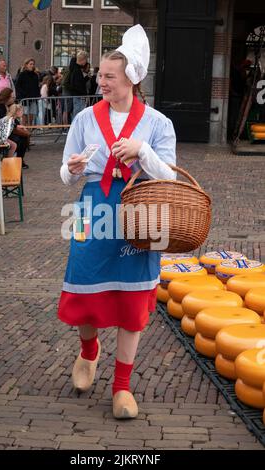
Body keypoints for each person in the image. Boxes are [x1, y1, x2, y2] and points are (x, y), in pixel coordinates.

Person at [57, 25, 176, 419]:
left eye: (108, 76)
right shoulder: (85, 119)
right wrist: (70, 169)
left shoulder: (157, 123)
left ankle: (122, 386)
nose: (100, 81)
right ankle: (89, 349)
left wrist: (143, 150)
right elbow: (65, 173)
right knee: (82, 285)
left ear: (132, 79)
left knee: (131, 299)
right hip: (90, 209)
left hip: (141, 212)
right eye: (100, 74)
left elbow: (171, 177)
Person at [15, 58, 40, 126]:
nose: (32, 65)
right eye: (30, 64)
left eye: (33, 64)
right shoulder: (21, 75)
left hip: (33, 100)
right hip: (25, 100)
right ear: (26, 65)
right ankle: (24, 134)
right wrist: (22, 96)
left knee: (31, 118)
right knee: (24, 118)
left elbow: (37, 87)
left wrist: (37, 96)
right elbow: (17, 87)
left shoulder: (35, 75)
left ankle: (29, 134)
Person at [69, 51, 89, 119]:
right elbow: (78, 84)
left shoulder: (74, 68)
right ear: (83, 60)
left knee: (77, 113)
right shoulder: (77, 70)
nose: (86, 62)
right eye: (86, 60)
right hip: (79, 95)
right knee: (79, 113)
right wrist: (84, 94)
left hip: (77, 95)